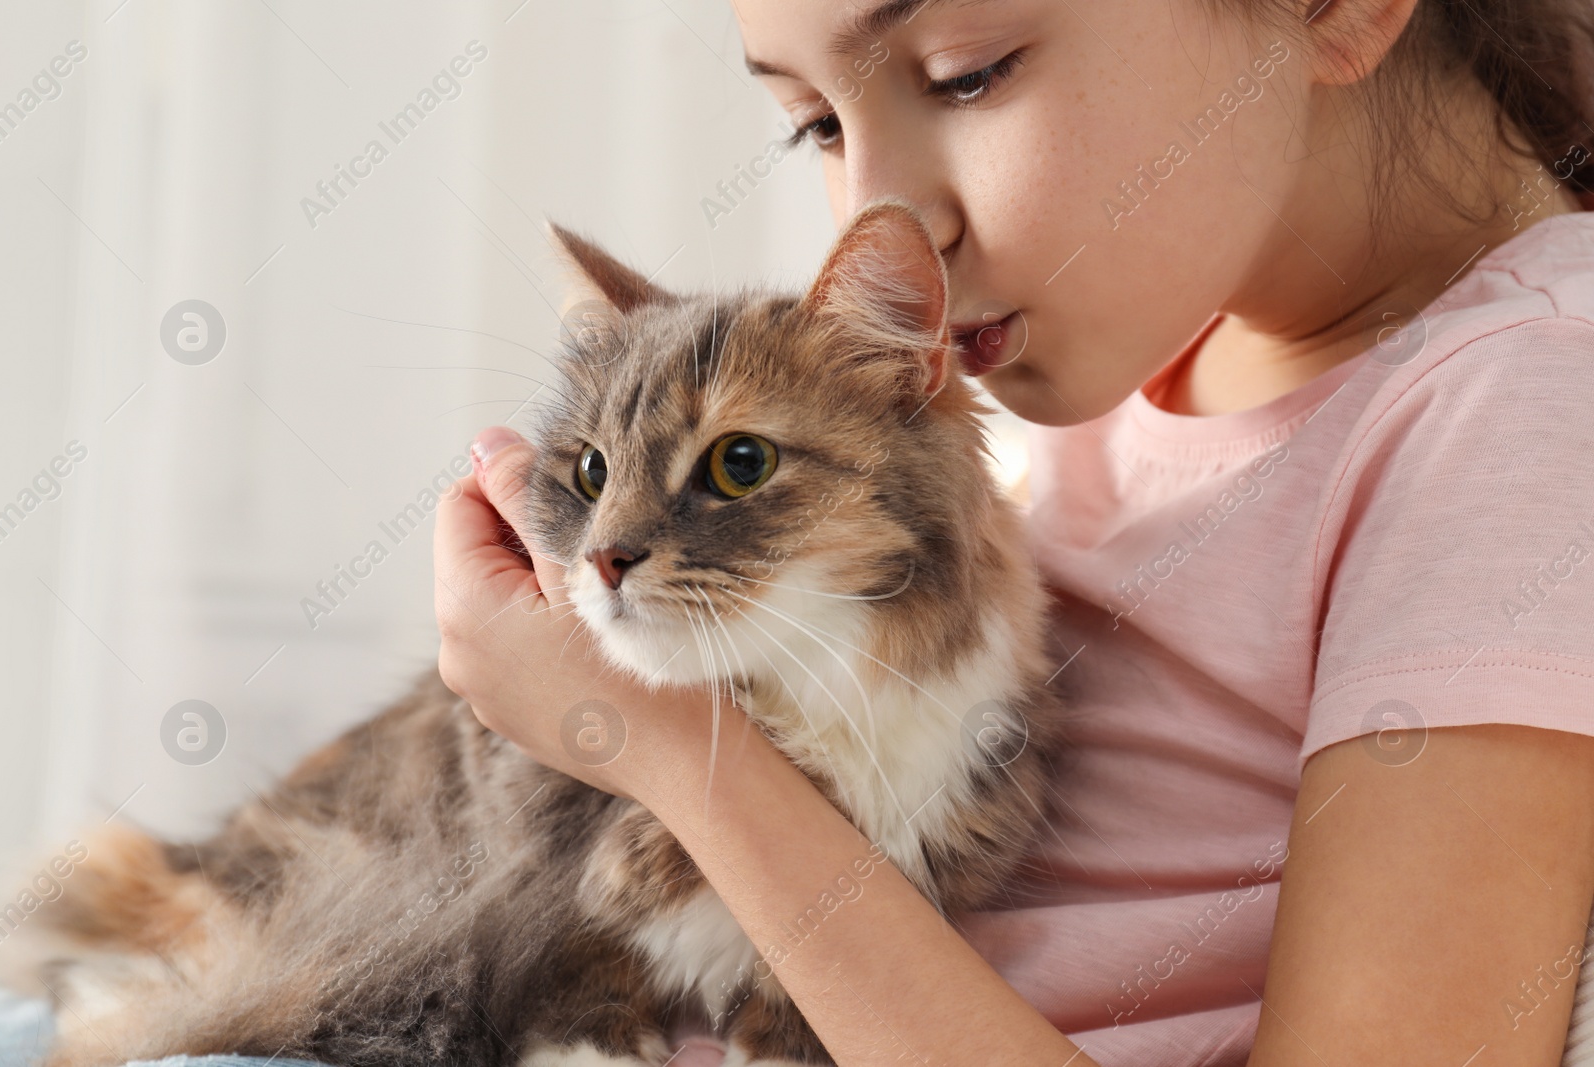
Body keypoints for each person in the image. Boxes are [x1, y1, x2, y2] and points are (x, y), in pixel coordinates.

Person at [437, 1, 1594, 1064]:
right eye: (816, 127)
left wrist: (662, 747)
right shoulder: (1126, 346)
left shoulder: (1521, 406)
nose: (889, 213)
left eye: (967, 77)